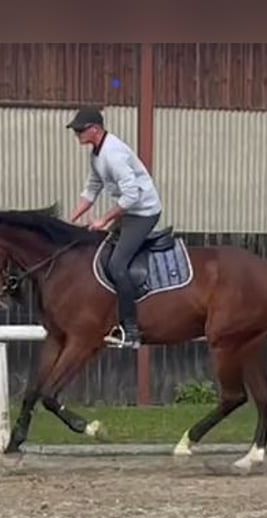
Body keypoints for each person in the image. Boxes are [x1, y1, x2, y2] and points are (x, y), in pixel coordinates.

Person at [66, 106, 163, 350]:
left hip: (143, 213)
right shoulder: (97, 154)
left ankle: (131, 330)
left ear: (95, 130)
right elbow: (92, 187)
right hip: (130, 212)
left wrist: (105, 219)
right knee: (104, 256)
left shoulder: (113, 154)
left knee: (118, 264)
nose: (77, 134)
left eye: (80, 130)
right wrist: (72, 218)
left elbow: (132, 194)